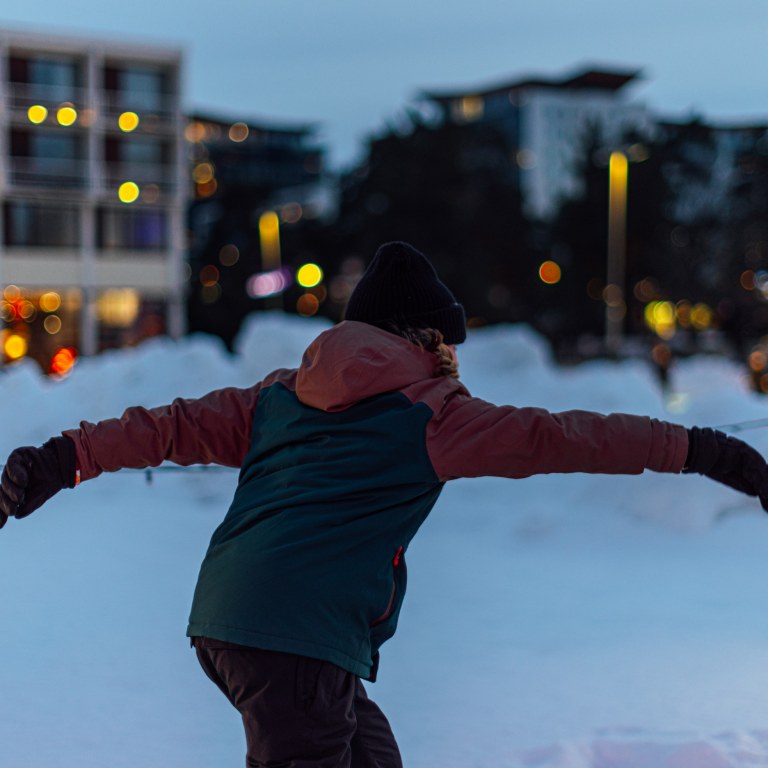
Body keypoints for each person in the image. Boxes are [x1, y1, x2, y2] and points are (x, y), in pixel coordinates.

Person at [2, 241, 768, 768]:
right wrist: (705, 451)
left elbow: (162, 428)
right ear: (429, 339)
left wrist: (59, 459)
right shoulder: (433, 418)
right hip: (295, 640)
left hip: (231, 622)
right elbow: (567, 437)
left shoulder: (278, 396)